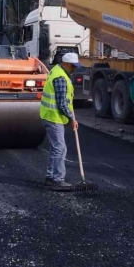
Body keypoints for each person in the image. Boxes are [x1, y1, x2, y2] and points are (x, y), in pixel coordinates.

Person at [40, 52, 80, 191]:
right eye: (73, 66)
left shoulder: (56, 70)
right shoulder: (61, 78)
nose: (75, 69)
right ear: (66, 64)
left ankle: (50, 177)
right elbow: (62, 103)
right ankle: (57, 180)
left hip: (49, 115)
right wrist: (71, 119)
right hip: (53, 117)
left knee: (54, 148)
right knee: (60, 148)